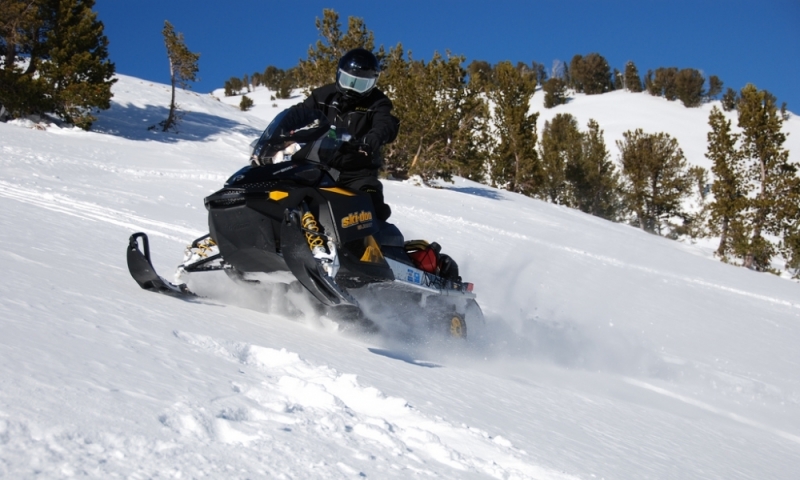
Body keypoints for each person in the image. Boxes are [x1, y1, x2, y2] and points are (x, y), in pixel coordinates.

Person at [292, 48, 399, 221]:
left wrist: (371, 140)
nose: (352, 89)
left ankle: (374, 246)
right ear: (339, 75)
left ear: (372, 83)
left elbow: (384, 124)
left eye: (361, 84)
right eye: (348, 81)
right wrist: (282, 132)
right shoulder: (324, 95)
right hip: (320, 167)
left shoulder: (378, 102)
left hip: (358, 172)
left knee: (372, 209)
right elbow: (299, 113)